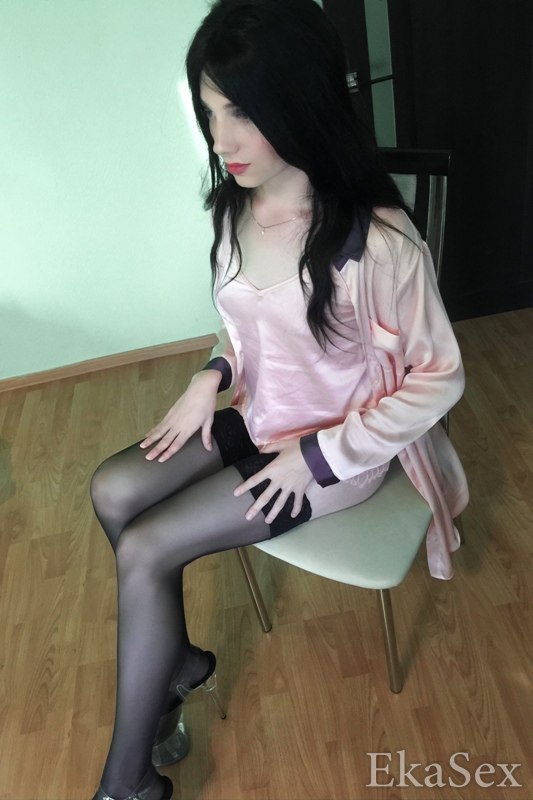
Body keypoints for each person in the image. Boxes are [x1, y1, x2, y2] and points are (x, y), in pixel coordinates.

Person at [89, 0, 468, 797]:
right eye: (209, 112)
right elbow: (248, 330)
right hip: (259, 416)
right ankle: (179, 663)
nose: (220, 140)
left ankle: (128, 784)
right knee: (113, 489)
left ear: (299, 102)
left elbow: (439, 378)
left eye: (242, 113)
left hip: (331, 452)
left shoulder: (377, 245)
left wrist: (319, 456)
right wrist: (211, 376)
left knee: (146, 548)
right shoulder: (236, 206)